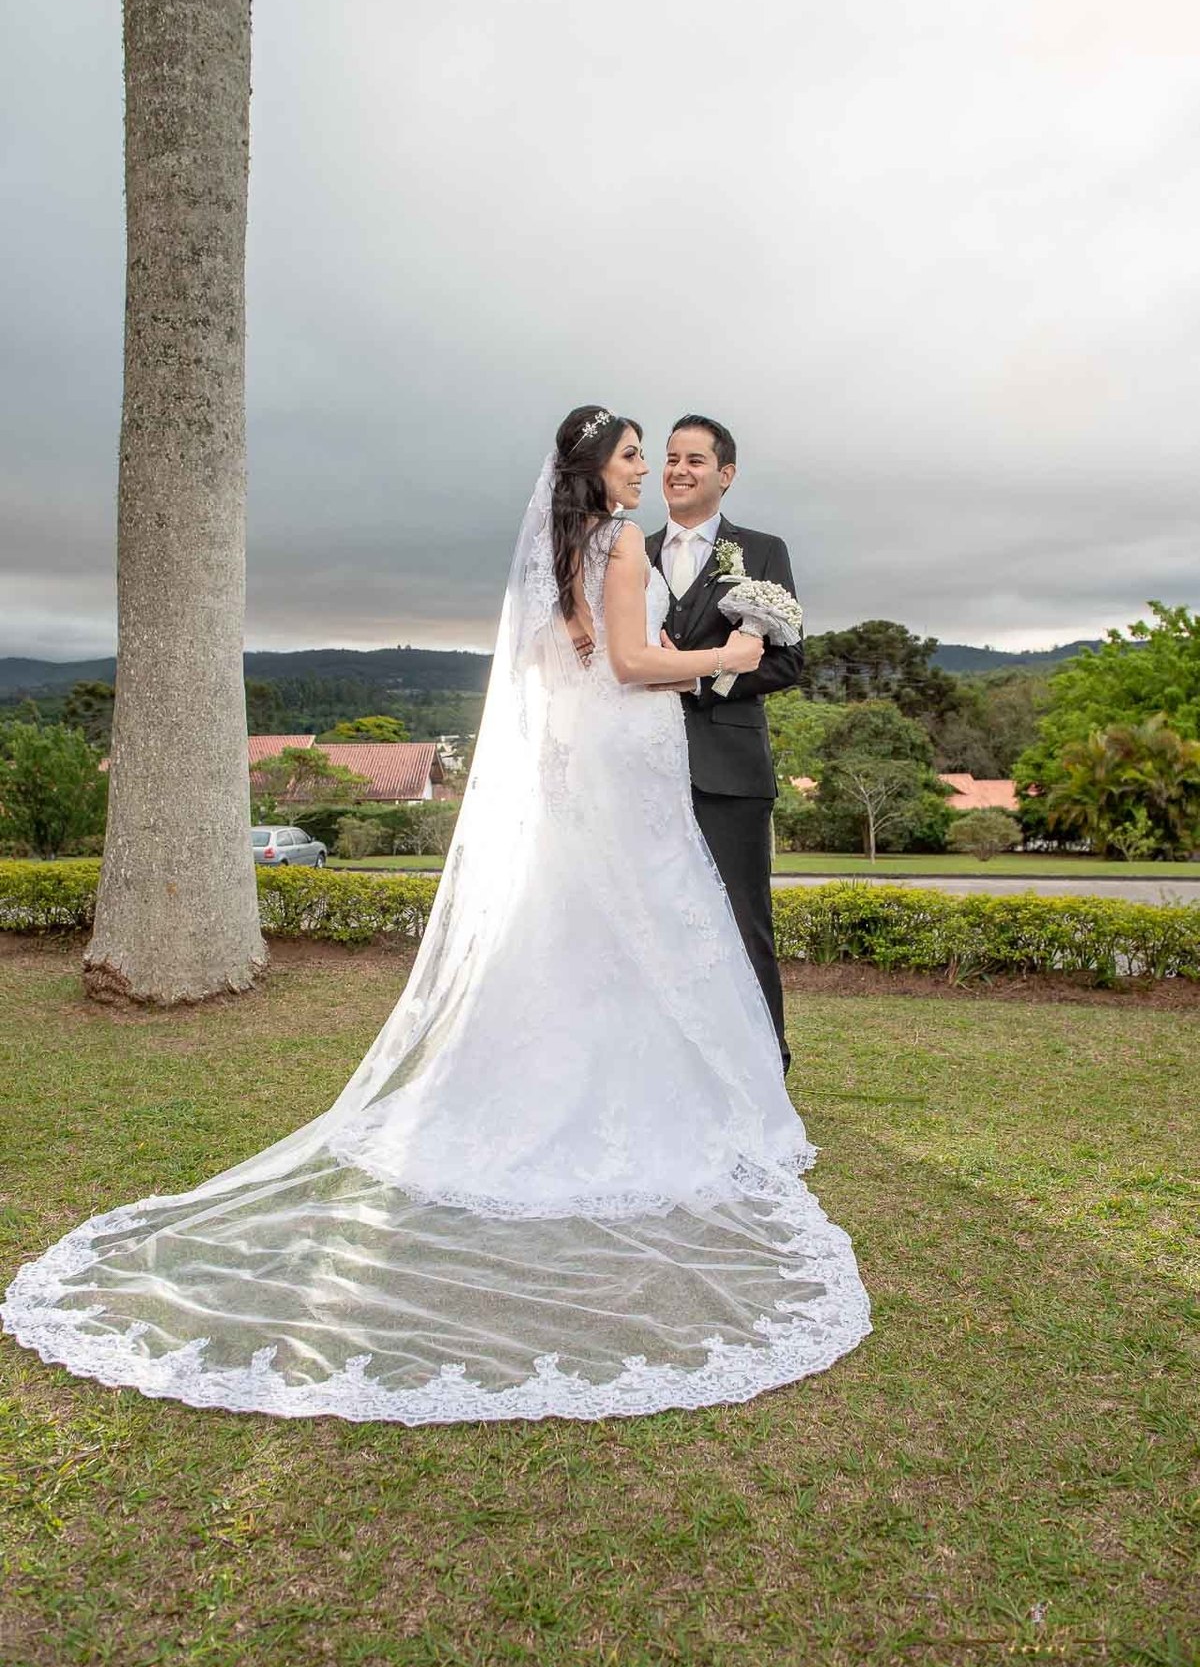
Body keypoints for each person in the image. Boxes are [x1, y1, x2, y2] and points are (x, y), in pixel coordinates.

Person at [2, 406, 870, 1425]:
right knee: (651, 930)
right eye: (637, 454)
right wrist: (723, 647)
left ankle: (576, 1086)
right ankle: (666, 1097)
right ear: (603, 469)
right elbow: (633, 667)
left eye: (665, 456)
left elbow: (565, 668)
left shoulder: (560, 549)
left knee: (596, 933)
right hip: (632, 753)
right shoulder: (623, 540)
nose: (650, 468)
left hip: (590, 762)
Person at [646, 415, 803, 1072]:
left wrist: (701, 678)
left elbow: (788, 661)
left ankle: (766, 1069)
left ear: (726, 474)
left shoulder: (762, 550)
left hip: (731, 770)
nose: (679, 469)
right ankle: (673, 1069)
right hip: (644, 767)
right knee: (654, 923)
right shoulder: (634, 553)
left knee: (744, 925)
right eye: (670, 457)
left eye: (695, 460)